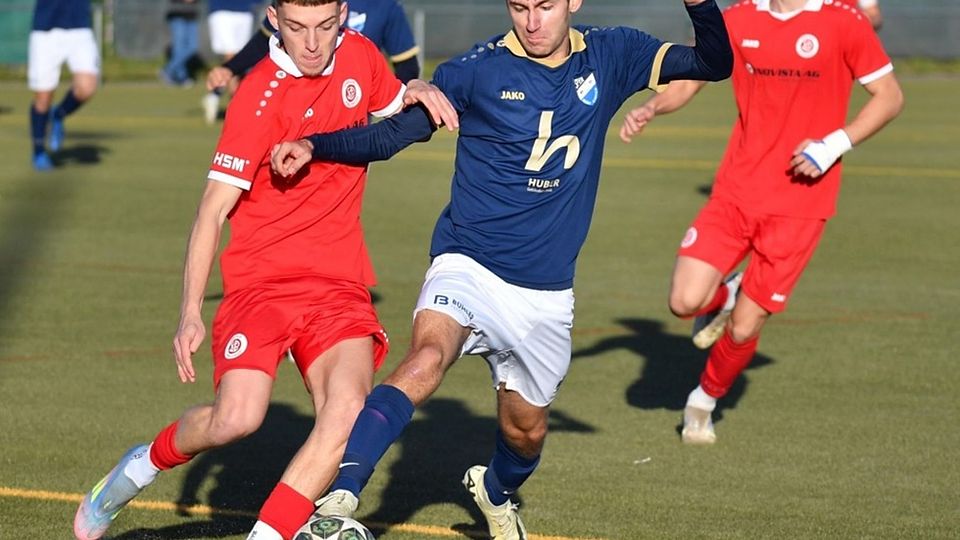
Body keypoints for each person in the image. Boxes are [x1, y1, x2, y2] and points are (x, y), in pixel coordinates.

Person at [270, 0, 732, 537]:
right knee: (425, 358)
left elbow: (714, 62)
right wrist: (315, 145)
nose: (532, 22)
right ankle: (339, 502)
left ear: (572, 3)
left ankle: (493, 491)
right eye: (519, 7)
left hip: (545, 291)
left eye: (545, 7)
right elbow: (394, 135)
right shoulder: (474, 71)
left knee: (526, 433)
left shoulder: (614, 54)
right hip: (468, 261)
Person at [71, 1, 452, 540]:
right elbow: (211, 210)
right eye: (297, 28)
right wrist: (188, 313)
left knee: (346, 411)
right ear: (273, 19)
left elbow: (394, 107)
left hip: (337, 284)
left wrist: (419, 90)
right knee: (236, 420)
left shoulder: (362, 56)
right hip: (261, 284)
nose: (313, 44)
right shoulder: (257, 99)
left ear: (344, 12)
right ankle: (139, 467)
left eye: (326, 26)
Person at [618, 0, 904, 445]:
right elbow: (691, 79)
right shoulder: (738, 19)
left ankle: (703, 402)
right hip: (736, 190)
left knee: (747, 326)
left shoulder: (844, 21)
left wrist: (831, 146)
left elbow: (890, 97)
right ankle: (728, 290)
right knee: (683, 300)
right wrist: (652, 108)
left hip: (802, 204)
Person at [206, 0, 421, 99]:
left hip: (351, 116)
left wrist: (401, 104)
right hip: (291, 104)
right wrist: (230, 68)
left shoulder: (384, 6)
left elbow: (406, 63)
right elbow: (264, 40)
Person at [27, 0, 99, 171]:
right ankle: (39, 152)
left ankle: (58, 115)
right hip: (46, 28)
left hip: (79, 26)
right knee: (43, 98)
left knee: (87, 87)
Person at [201, 0, 257, 124]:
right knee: (230, 55)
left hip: (245, 9)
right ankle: (236, 103)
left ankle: (215, 96)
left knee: (241, 58)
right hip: (221, 9)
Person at [160, 0, 200, 87]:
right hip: (177, 15)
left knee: (192, 47)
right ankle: (182, 77)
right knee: (179, 48)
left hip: (191, 15)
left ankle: (168, 70)